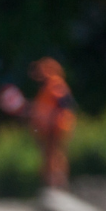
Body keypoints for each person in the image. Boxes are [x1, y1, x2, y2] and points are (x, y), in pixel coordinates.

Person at [28, 58, 75, 191]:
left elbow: (65, 105)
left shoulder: (54, 84)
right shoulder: (47, 87)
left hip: (56, 127)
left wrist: (50, 119)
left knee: (54, 156)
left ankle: (57, 185)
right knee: (50, 157)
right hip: (50, 128)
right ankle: (52, 186)